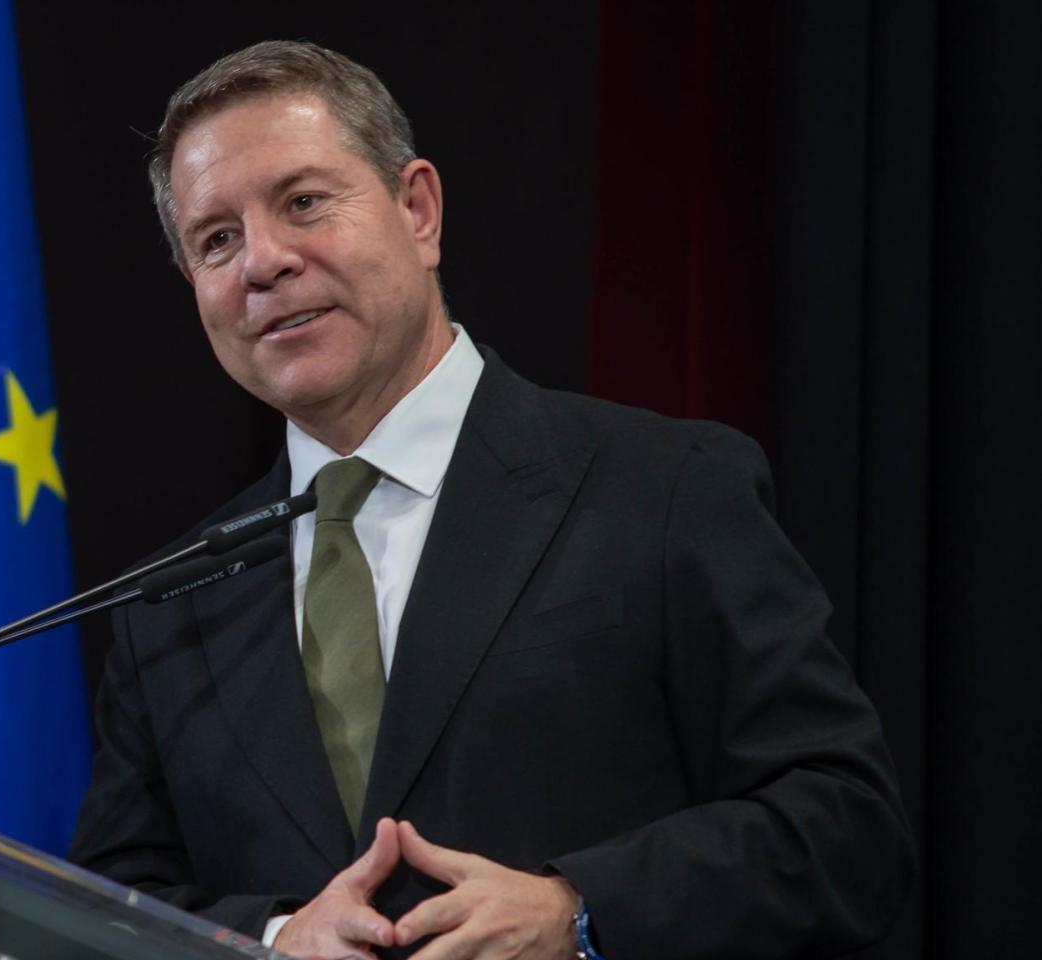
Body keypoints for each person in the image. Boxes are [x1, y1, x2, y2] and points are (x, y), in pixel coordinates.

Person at [68, 41, 913, 960]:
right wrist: (272, 938)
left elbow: (846, 827)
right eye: (215, 240)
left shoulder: (664, 486)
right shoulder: (171, 599)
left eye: (304, 202)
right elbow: (106, 906)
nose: (262, 263)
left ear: (418, 210)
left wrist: (578, 912)